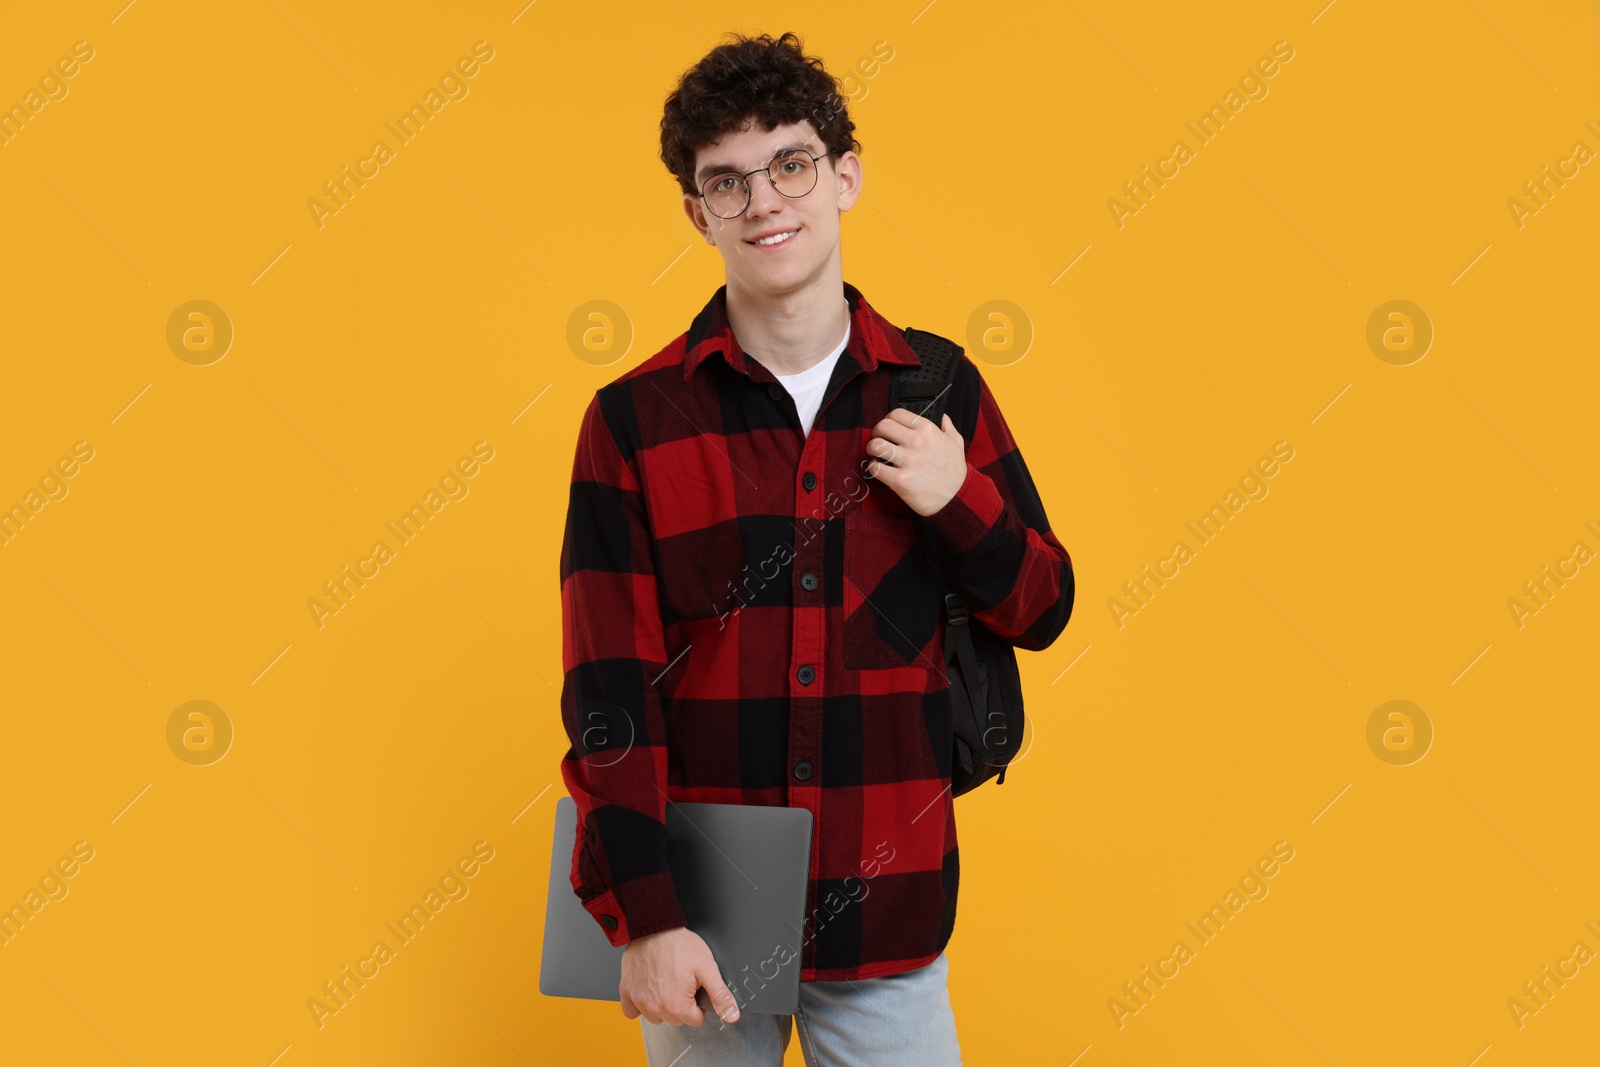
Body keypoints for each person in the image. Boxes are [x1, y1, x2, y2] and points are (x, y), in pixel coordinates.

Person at [557, 30, 1074, 1066]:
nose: (764, 202)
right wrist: (644, 917)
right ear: (698, 212)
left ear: (843, 177)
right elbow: (607, 685)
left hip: (887, 905)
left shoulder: (941, 390)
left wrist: (955, 497)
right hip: (702, 916)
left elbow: (1044, 606)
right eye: (728, 181)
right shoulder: (633, 421)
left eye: (790, 164)